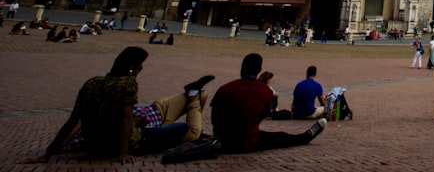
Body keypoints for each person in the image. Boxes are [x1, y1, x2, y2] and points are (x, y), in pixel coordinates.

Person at [22, 47, 191, 163]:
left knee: (147, 120)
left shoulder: (92, 83)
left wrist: (49, 153)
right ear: (133, 69)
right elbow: (125, 121)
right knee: (181, 127)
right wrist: (123, 153)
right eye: (140, 66)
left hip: (94, 145)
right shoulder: (127, 84)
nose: (141, 69)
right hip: (128, 143)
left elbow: (73, 121)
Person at [211, 53, 326, 153]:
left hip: (222, 141)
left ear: (242, 68)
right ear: (259, 69)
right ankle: (306, 136)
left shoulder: (224, 88)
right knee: (281, 137)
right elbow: (263, 114)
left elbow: (214, 117)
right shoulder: (264, 90)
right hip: (248, 140)